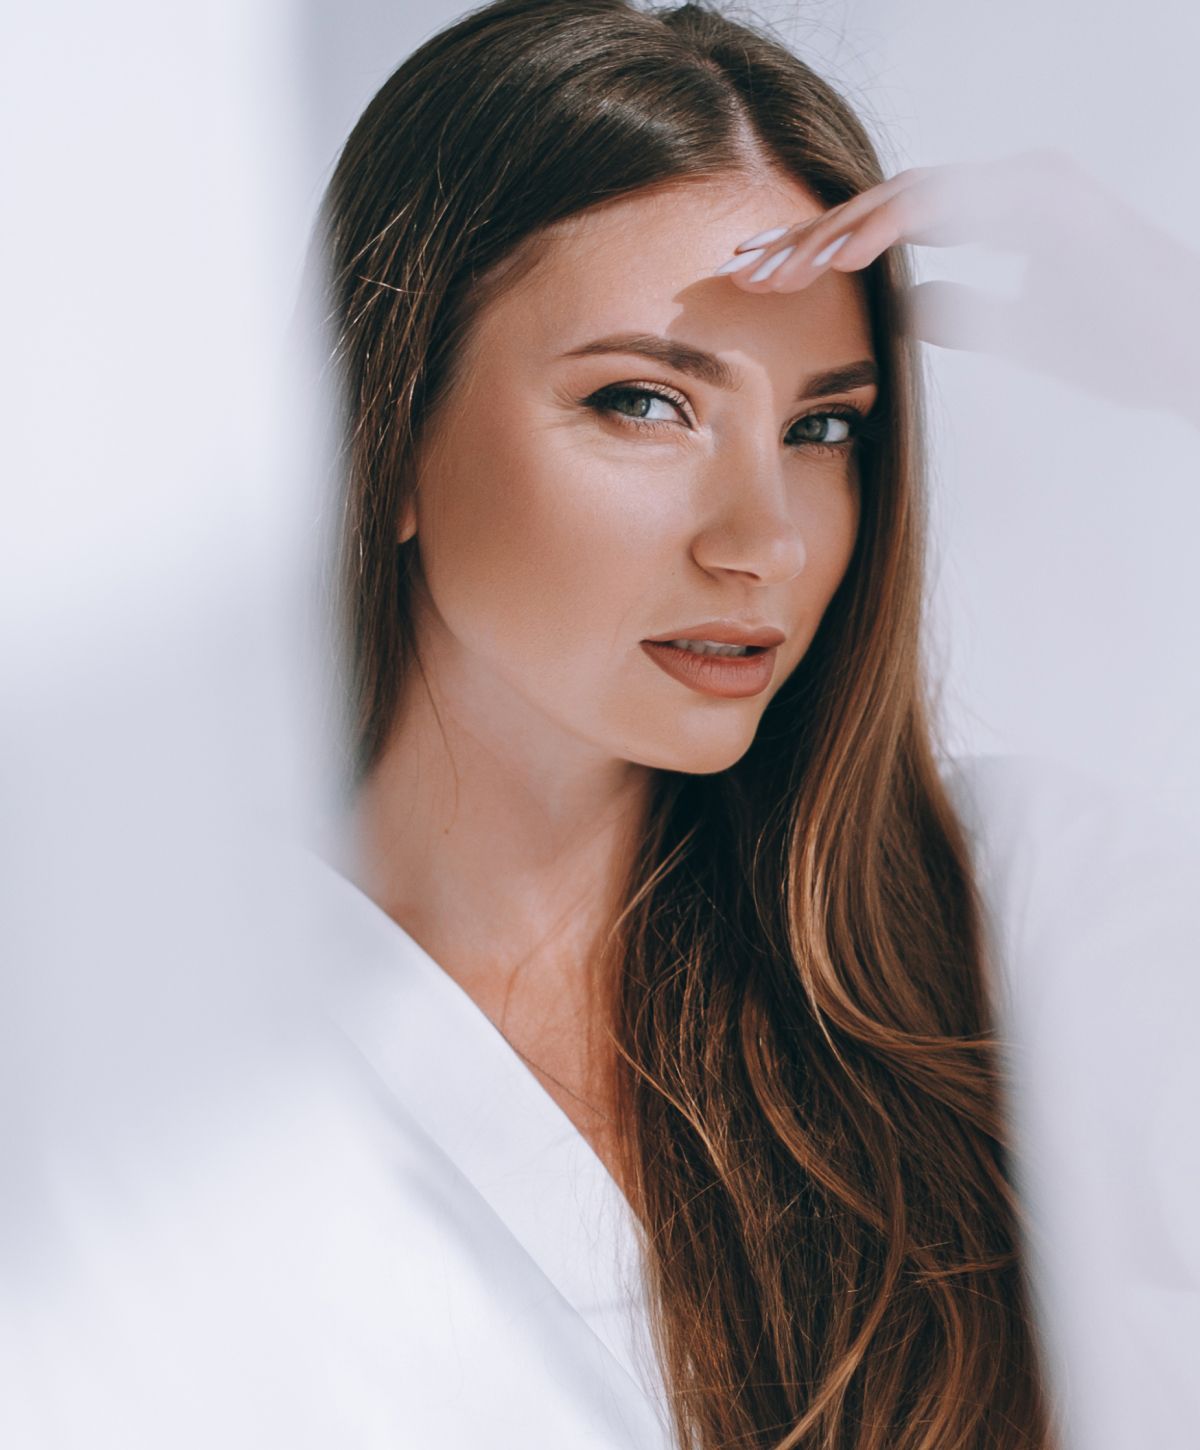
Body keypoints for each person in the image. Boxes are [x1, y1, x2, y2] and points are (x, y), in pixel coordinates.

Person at [308, 2, 1200, 1448]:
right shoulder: (159, 1051)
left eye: (823, 426)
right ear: (385, 428)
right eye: (646, 401)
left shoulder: (1012, 921)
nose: (765, 541)